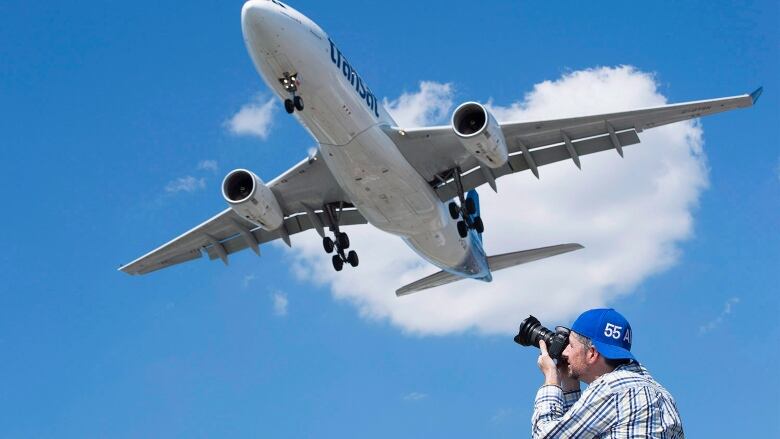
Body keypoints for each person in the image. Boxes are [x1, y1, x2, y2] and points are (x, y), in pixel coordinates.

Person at [532, 308, 684, 438]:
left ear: (592, 353)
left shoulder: (611, 387)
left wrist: (551, 378)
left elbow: (545, 436)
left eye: (571, 345)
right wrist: (570, 384)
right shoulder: (662, 395)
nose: (565, 352)